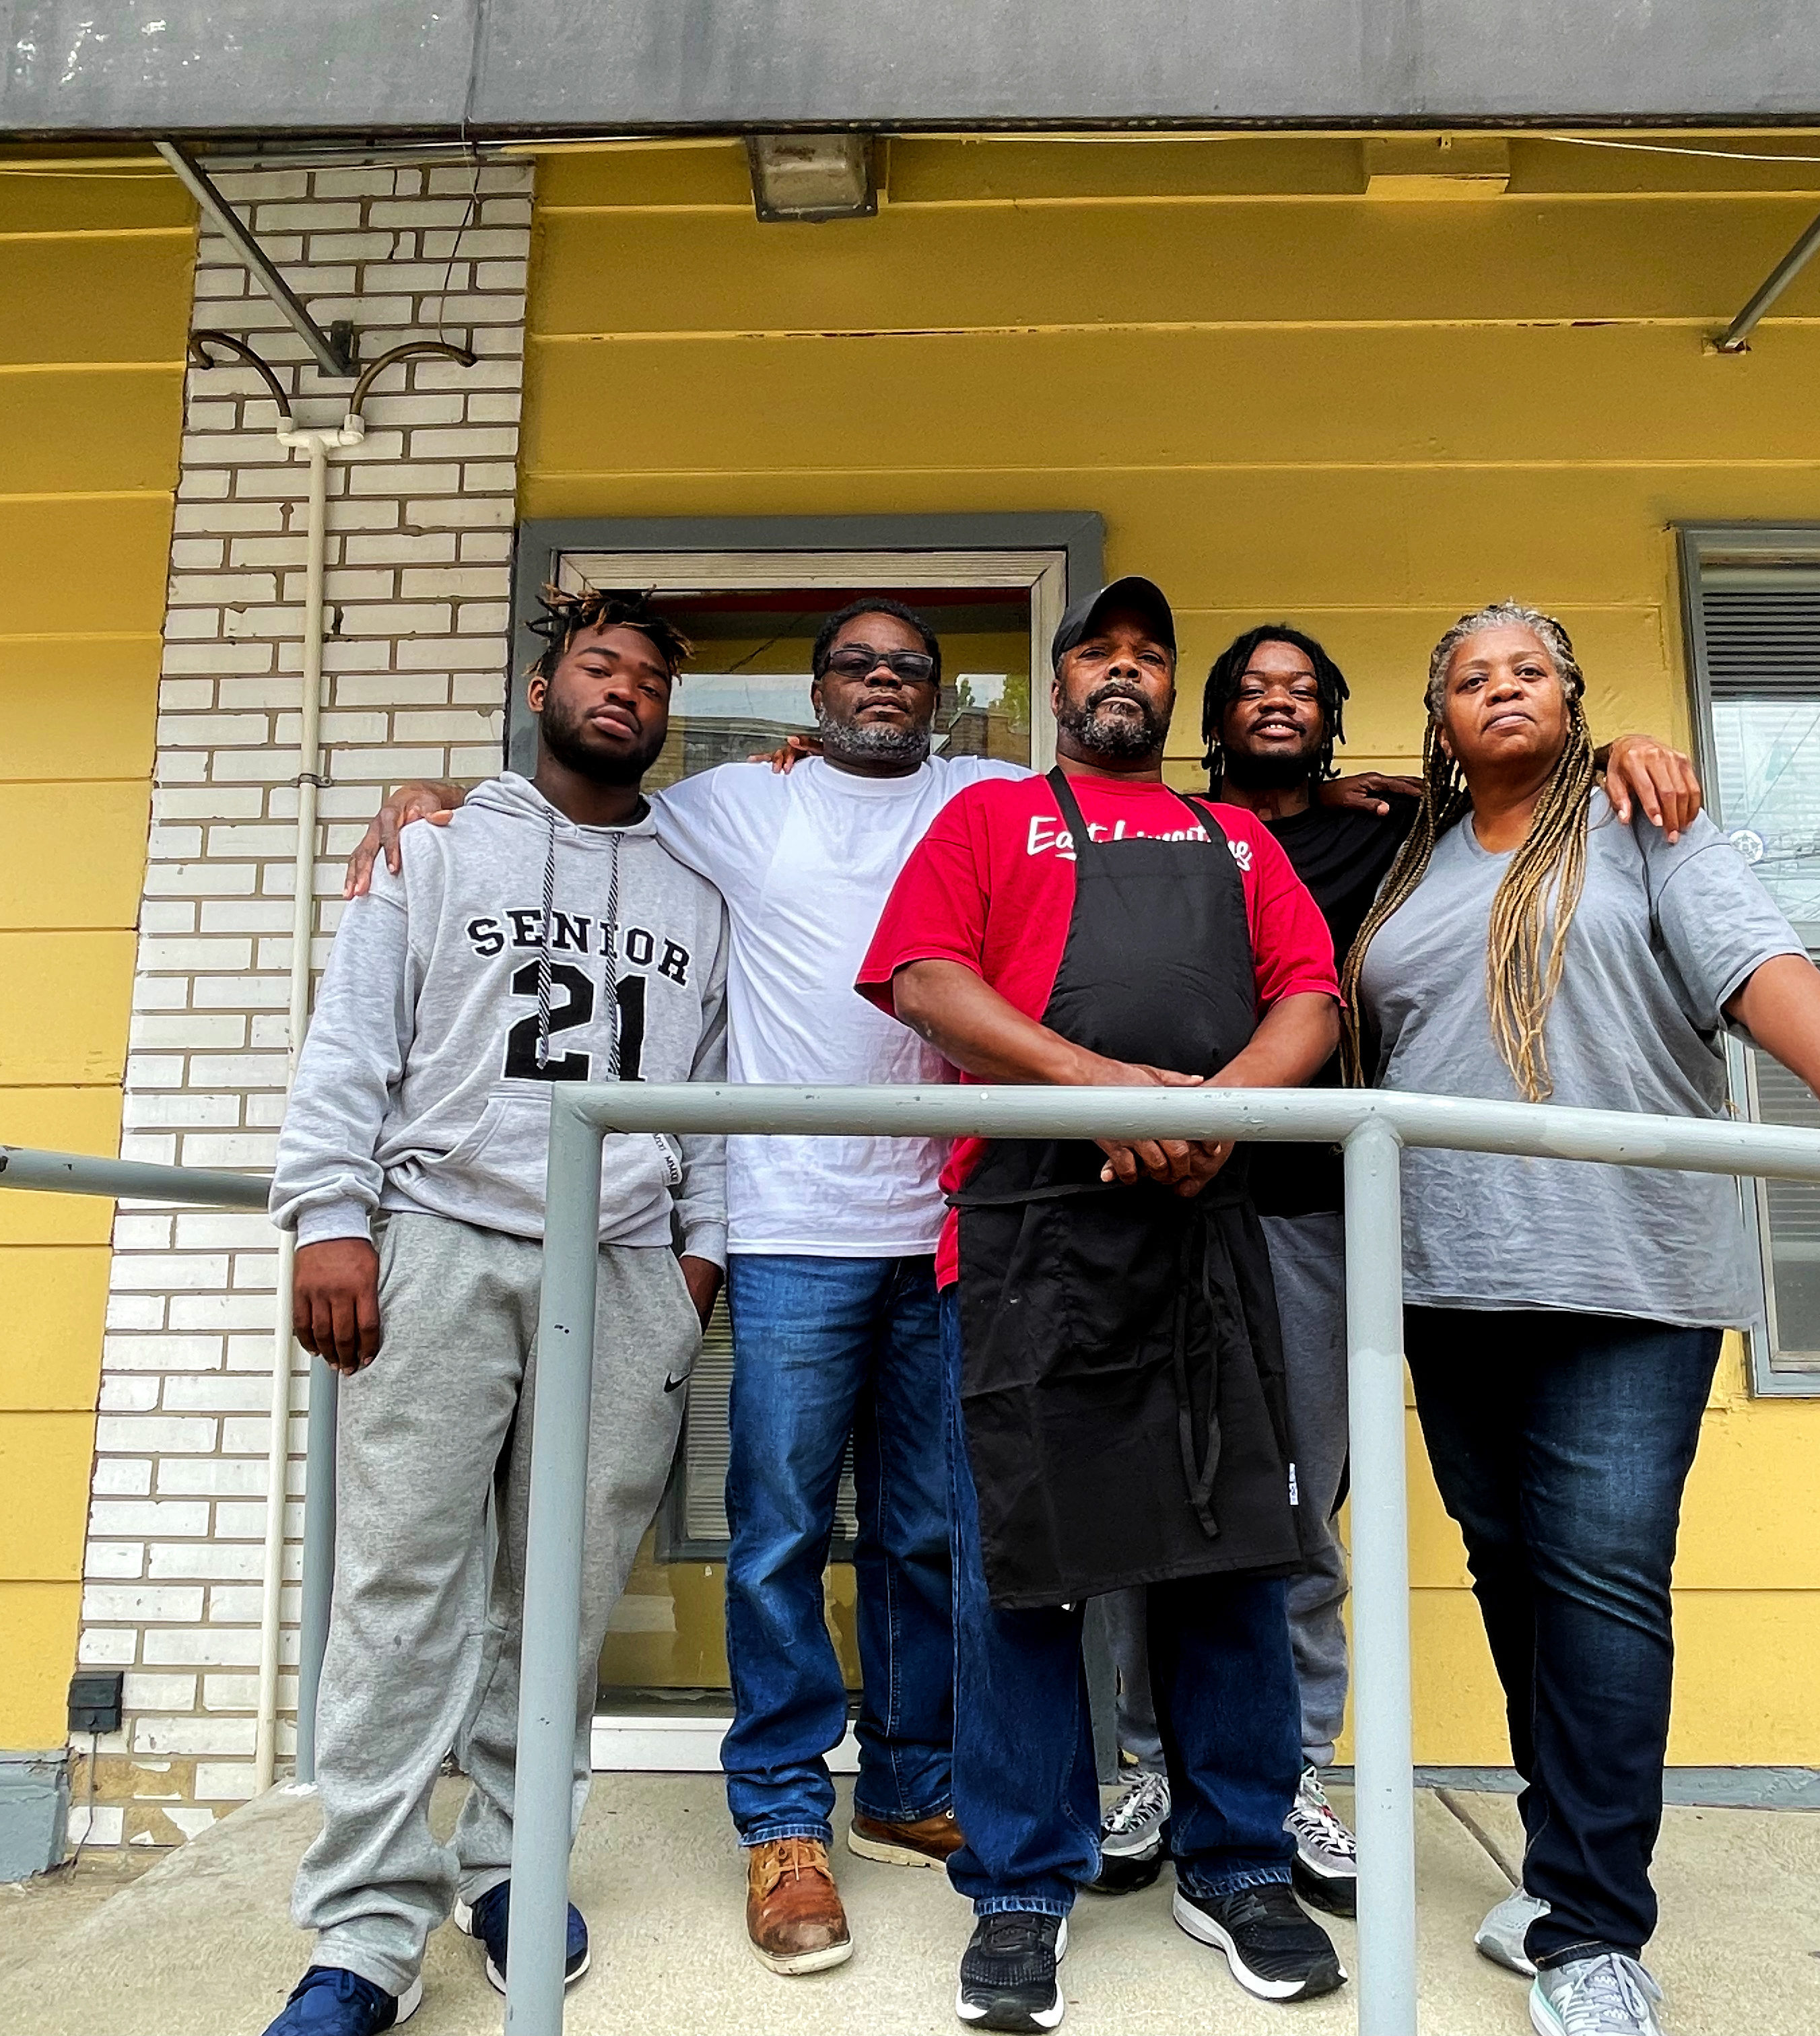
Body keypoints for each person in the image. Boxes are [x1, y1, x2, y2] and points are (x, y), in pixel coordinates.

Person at [1343, 601, 1820, 2036]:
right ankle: (1558, 1873)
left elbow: (1749, 962)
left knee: (1600, 1582)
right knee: (1514, 1572)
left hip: (1629, 1272)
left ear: (1575, 694)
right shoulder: (1406, 863)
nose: (1501, 690)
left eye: (1528, 668)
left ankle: (1594, 1931)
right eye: (1471, 679)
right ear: (1442, 721)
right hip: (1450, 1273)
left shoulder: (1641, 822)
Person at [346, 597, 1028, 1978]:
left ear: (941, 699)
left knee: (925, 1529)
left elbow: (1137, 819)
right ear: (817, 692)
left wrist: (1353, 798)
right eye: (856, 665)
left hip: (944, 1223)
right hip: (785, 1226)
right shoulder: (724, 805)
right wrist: (428, 792)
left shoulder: (988, 793)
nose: (882, 685)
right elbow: (568, 816)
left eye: (911, 669)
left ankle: (906, 1779)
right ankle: (784, 1819)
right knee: (777, 1529)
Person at [1096, 625, 1702, 1924]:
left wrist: (1629, 755)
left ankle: (1289, 1765)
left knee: (1306, 1500)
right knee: (1158, 1494)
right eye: (1251, 689)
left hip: (1321, 1211)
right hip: (1169, 1206)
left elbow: (1525, 801)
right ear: (1213, 716)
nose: (1277, 704)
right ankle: (1148, 1763)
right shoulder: (1169, 832)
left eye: (1303, 689)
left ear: (1340, 717)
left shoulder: (1403, 836)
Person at [858, 577, 1351, 2032]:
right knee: (1024, 1566)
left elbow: (1308, 1003)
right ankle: (1019, 1890)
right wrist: (1100, 1086)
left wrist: (1222, 1122)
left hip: (1209, 1228)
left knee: (1230, 1551)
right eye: (1099, 653)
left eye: (1148, 656)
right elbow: (924, 978)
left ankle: (1238, 1859)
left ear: (1169, 690)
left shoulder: (1236, 834)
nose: (1122, 672)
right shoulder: (985, 821)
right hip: (1024, 1237)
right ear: (1061, 682)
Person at [263, 587, 730, 2036]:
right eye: (601, 667)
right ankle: (364, 1930)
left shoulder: (698, 888)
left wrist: (692, 1266)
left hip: (623, 1271)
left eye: (650, 680)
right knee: (401, 1587)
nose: (627, 694)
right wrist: (332, 1217)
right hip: (444, 1241)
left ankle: (515, 1864)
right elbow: (353, 1045)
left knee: (566, 1596)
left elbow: (709, 1097)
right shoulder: (437, 842)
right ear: (542, 689)